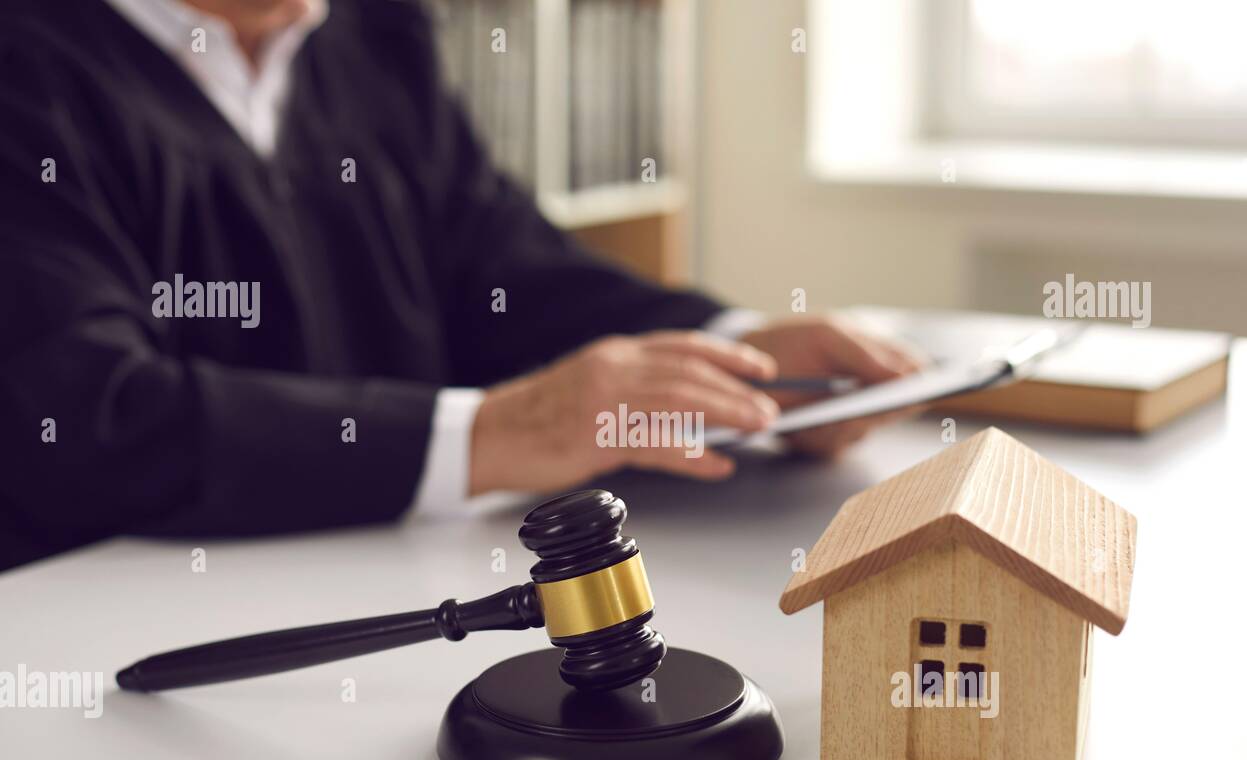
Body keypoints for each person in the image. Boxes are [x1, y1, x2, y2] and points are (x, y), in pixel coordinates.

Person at [0, 0, 921, 571]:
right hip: (115, 632)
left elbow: (499, 270)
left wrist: (735, 349)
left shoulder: (374, 34)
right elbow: (88, 420)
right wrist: (503, 432)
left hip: (410, 584)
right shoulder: (30, 69)